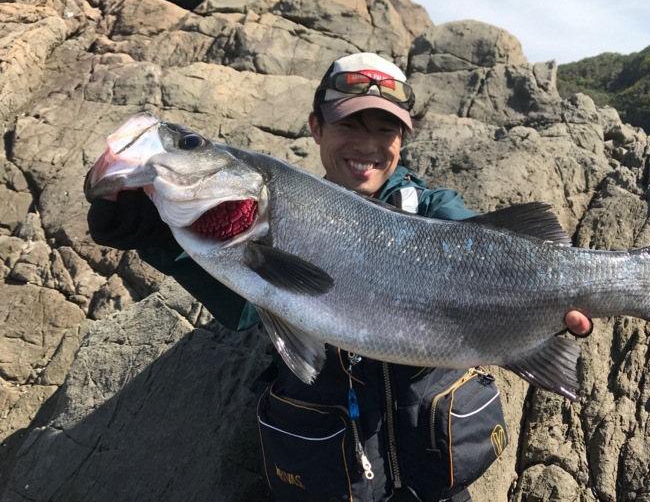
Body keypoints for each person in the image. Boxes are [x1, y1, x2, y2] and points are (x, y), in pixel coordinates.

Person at [88, 52, 592, 501]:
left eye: (385, 130)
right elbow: (247, 306)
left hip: (433, 477)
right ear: (316, 127)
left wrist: (551, 302)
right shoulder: (282, 205)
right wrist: (151, 236)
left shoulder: (437, 208)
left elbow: (480, 251)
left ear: (403, 138)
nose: (368, 145)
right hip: (327, 473)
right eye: (351, 125)